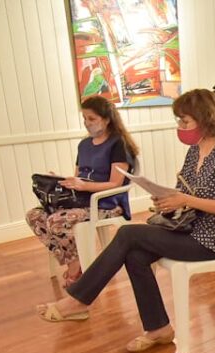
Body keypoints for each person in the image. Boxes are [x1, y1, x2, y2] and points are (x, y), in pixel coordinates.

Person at [35, 89, 215, 353]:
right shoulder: (195, 152)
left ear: (204, 119)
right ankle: (159, 329)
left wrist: (185, 200)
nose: (180, 126)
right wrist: (167, 200)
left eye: (185, 121)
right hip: (189, 227)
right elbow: (184, 193)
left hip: (214, 239)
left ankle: (79, 299)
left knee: (129, 234)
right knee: (135, 256)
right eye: (179, 120)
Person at [25, 96, 138, 288]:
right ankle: (75, 262)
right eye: (84, 118)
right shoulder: (84, 145)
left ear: (107, 119)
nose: (87, 123)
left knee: (56, 221)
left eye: (92, 118)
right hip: (81, 199)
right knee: (34, 216)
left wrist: (84, 186)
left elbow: (115, 184)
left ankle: (75, 268)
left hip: (105, 203)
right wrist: (61, 180)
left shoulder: (118, 144)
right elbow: (79, 176)